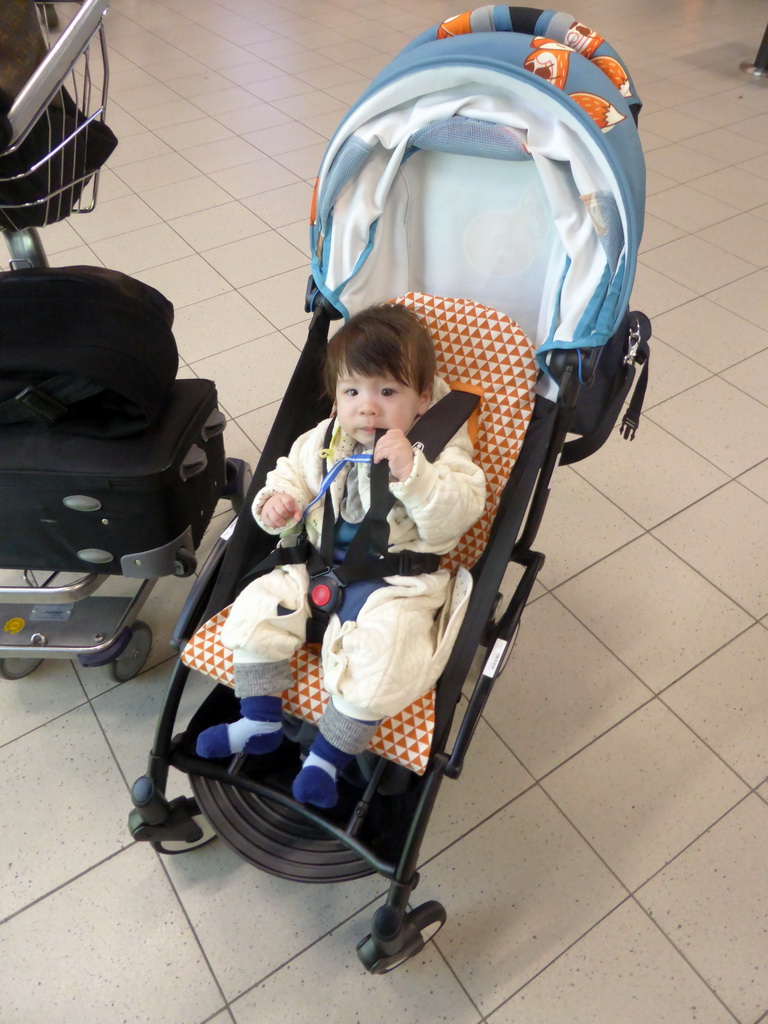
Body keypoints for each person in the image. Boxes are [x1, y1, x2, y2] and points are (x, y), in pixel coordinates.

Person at [196, 302, 486, 808]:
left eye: (387, 392)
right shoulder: (325, 440)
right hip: (316, 568)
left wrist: (414, 475)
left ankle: (327, 758)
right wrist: (275, 504)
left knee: (390, 657)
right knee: (256, 604)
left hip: (395, 588)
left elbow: (455, 517)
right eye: (352, 392)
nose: (367, 408)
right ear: (336, 397)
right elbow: (288, 475)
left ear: (421, 400)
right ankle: (259, 721)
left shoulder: (441, 452)